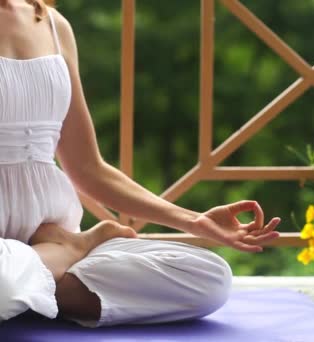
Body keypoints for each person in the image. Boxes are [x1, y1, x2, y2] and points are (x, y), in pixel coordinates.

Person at [0, 0, 281, 327]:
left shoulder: (53, 25)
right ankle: (62, 258)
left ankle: (32, 278)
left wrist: (194, 221)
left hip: (49, 228)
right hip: (41, 250)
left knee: (209, 277)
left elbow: (90, 168)